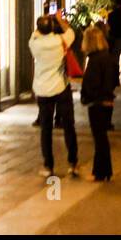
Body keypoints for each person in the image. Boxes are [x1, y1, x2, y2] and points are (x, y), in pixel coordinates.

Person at [28, 11, 79, 179]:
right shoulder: (61, 41)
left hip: (42, 89)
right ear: (52, 28)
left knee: (46, 129)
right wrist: (58, 19)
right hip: (61, 87)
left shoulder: (34, 44)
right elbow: (70, 31)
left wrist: (44, 22)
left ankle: (49, 166)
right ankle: (73, 163)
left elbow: (35, 34)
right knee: (68, 126)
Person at [79, 25, 117, 182]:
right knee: (102, 137)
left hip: (97, 102)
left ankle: (101, 171)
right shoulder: (108, 57)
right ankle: (103, 170)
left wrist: (87, 96)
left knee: (99, 138)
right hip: (107, 100)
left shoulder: (94, 60)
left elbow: (92, 83)